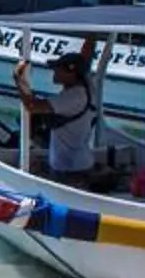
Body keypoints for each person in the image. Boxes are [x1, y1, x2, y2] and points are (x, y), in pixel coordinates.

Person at [14, 40, 111, 182]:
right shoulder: (86, 85)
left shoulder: (72, 98)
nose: (54, 71)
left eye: (58, 69)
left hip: (68, 170)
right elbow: (85, 58)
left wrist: (18, 78)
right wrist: (91, 33)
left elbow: (32, 106)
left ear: (71, 73)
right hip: (81, 164)